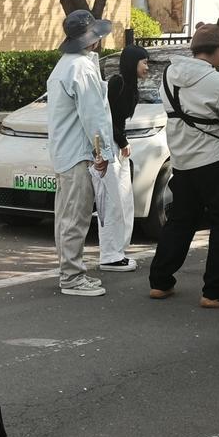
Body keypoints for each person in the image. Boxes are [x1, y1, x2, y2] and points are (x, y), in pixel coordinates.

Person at [148, 24, 219, 308]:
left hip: (181, 159)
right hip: (214, 160)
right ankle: (216, 290)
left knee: (181, 219)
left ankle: (161, 281)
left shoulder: (169, 75)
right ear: (218, 51)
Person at [46, 9, 115, 297]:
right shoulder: (82, 68)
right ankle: (72, 277)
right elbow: (93, 116)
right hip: (78, 152)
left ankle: (68, 270)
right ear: (92, 38)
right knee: (77, 215)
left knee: (66, 215)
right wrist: (103, 153)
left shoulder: (64, 65)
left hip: (64, 151)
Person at [95, 43, 148, 272]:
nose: (147, 67)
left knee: (124, 200)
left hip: (118, 146)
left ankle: (118, 251)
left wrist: (123, 141)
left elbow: (120, 122)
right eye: (144, 62)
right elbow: (107, 119)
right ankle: (109, 255)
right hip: (109, 147)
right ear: (132, 62)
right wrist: (122, 141)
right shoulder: (117, 83)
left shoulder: (132, 87)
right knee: (112, 202)